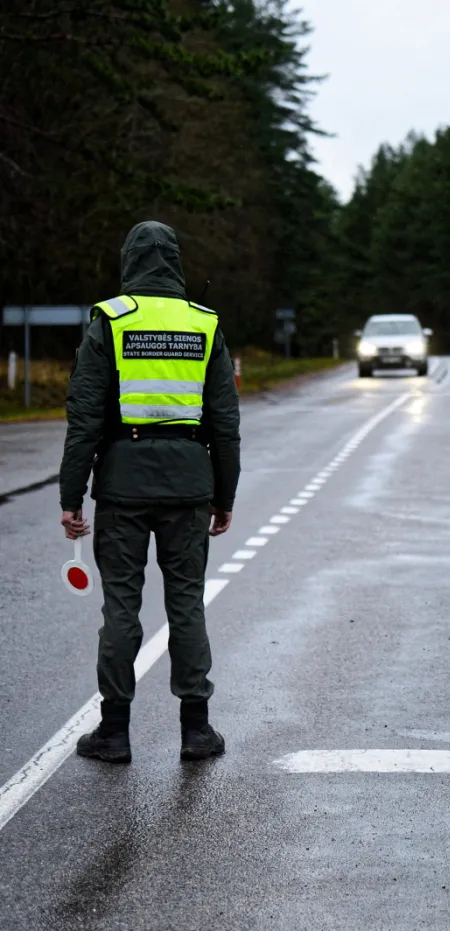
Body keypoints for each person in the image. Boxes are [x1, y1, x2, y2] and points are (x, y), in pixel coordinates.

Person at [59, 220, 241, 764]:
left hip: (122, 487)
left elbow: (84, 415)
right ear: (176, 262)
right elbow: (224, 422)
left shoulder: (109, 321)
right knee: (186, 601)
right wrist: (224, 495)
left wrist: (73, 494)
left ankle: (113, 733)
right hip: (189, 485)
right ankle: (196, 731)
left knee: (121, 606)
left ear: (129, 261)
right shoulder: (204, 325)